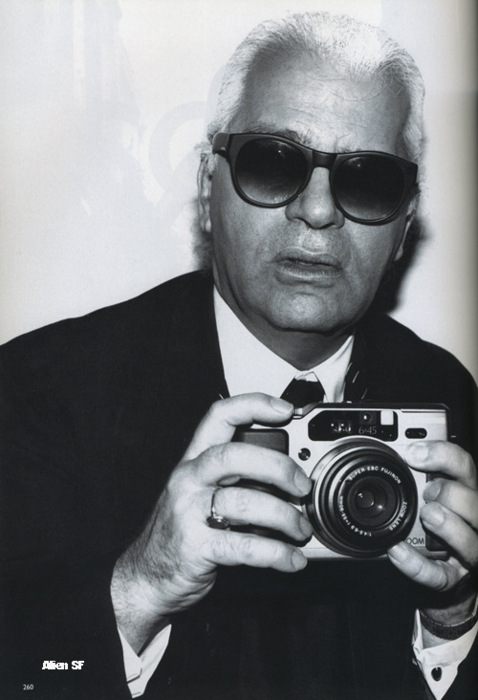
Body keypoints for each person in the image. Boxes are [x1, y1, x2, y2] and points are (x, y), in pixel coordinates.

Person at [1, 11, 477, 700]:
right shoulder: (41, 396)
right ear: (207, 188)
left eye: (368, 179)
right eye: (273, 162)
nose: (318, 211)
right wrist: (140, 589)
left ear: (404, 226)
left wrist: (453, 617)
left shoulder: (447, 400)